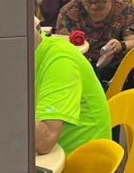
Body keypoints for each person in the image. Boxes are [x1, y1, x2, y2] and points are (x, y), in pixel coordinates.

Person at [35, 17, 111, 159]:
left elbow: (45, 140)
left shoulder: (60, 61)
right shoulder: (39, 51)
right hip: (56, 160)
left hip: (78, 172)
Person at [55, 0, 134, 86]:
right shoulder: (69, 12)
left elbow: (131, 41)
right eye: (87, 1)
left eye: (100, 1)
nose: (93, 6)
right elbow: (64, 48)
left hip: (115, 70)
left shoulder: (124, 7)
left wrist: (120, 45)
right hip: (80, 68)